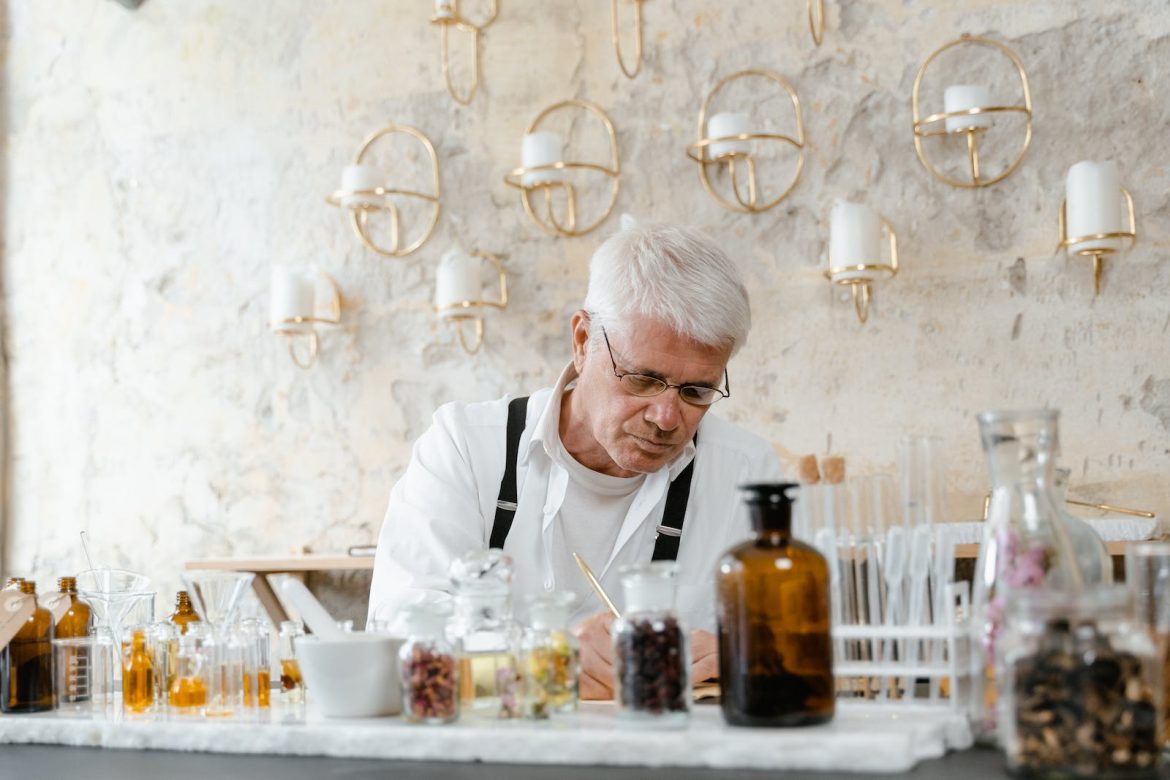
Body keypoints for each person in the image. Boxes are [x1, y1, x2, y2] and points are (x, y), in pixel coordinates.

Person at [368, 223, 782, 699]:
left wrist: (742, 653)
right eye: (643, 379)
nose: (667, 418)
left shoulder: (746, 474)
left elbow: (798, 651)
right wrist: (538, 662)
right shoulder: (465, 446)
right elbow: (399, 627)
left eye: (697, 391)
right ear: (583, 340)